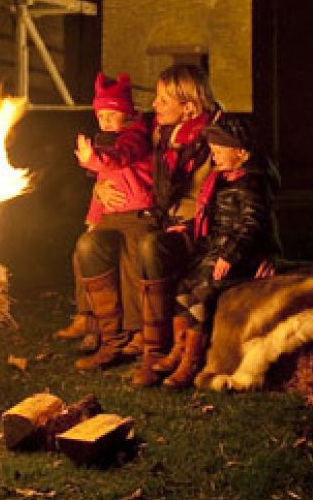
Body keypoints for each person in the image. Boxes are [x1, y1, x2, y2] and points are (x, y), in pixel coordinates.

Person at [76, 64, 221, 377]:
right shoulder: (158, 132)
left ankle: (152, 349)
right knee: (89, 244)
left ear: (189, 107)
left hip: (193, 227)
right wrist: (100, 186)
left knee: (148, 245)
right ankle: (112, 339)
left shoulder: (215, 139)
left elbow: (247, 187)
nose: (154, 105)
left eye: (163, 100)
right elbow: (126, 159)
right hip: (158, 216)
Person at [151, 114, 280, 389]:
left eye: (219, 152)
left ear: (241, 153)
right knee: (184, 285)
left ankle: (193, 360)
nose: (214, 157)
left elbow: (252, 225)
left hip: (240, 257)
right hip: (215, 249)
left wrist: (230, 255)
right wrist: (187, 227)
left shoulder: (252, 184)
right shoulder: (223, 179)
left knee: (201, 292)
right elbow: (214, 217)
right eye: (212, 150)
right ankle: (180, 348)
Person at [63, 74, 156, 374]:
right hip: (111, 215)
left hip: (137, 214)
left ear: (126, 113)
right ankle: (93, 322)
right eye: (100, 115)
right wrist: (93, 218)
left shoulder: (134, 136)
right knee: (83, 251)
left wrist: (94, 157)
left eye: (110, 114)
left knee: (131, 262)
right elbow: (102, 184)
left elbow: (119, 158)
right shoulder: (107, 142)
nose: (104, 120)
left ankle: (134, 331)